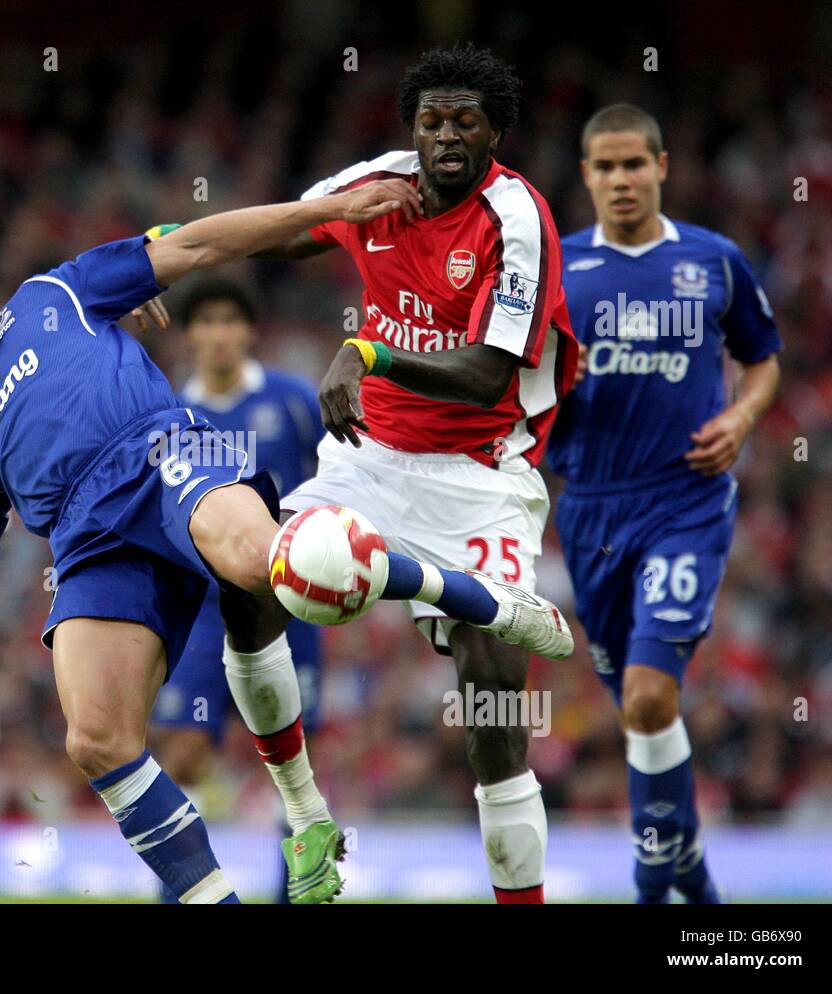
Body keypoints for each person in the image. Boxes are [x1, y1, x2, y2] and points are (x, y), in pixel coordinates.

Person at [0, 181, 573, 905]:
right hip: (88, 545)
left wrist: (332, 209)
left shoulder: (53, 295)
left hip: (162, 457)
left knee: (282, 568)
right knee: (95, 739)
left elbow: (202, 243)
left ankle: (482, 599)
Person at [249, 43, 579, 904]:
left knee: (497, 706)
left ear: (495, 131)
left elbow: (487, 374)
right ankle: (306, 813)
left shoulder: (516, 217)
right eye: (431, 120)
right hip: (367, 460)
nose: (445, 136)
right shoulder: (380, 181)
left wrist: (367, 350)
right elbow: (283, 233)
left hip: (479, 471)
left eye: (464, 120)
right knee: (247, 573)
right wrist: (171, 254)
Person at [548, 104, 782, 903]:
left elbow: (762, 358)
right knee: (641, 714)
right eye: (605, 167)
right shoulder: (556, 271)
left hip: (685, 499)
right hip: (589, 511)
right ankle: (701, 891)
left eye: (634, 165)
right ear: (586, 176)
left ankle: (652, 881)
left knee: (651, 695)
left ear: (662, 167)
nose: (620, 180)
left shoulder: (714, 262)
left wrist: (743, 418)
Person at [148, 277, 325, 903]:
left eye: (231, 320)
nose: (220, 334)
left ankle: (289, 893)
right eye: (207, 321)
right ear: (190, 332)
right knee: (185, 753)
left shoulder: (295, 401)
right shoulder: (168, 415)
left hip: (286, 608)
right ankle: (181, 892)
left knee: (287, 766)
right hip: (200, 614)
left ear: (249, 330)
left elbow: (335, 480)